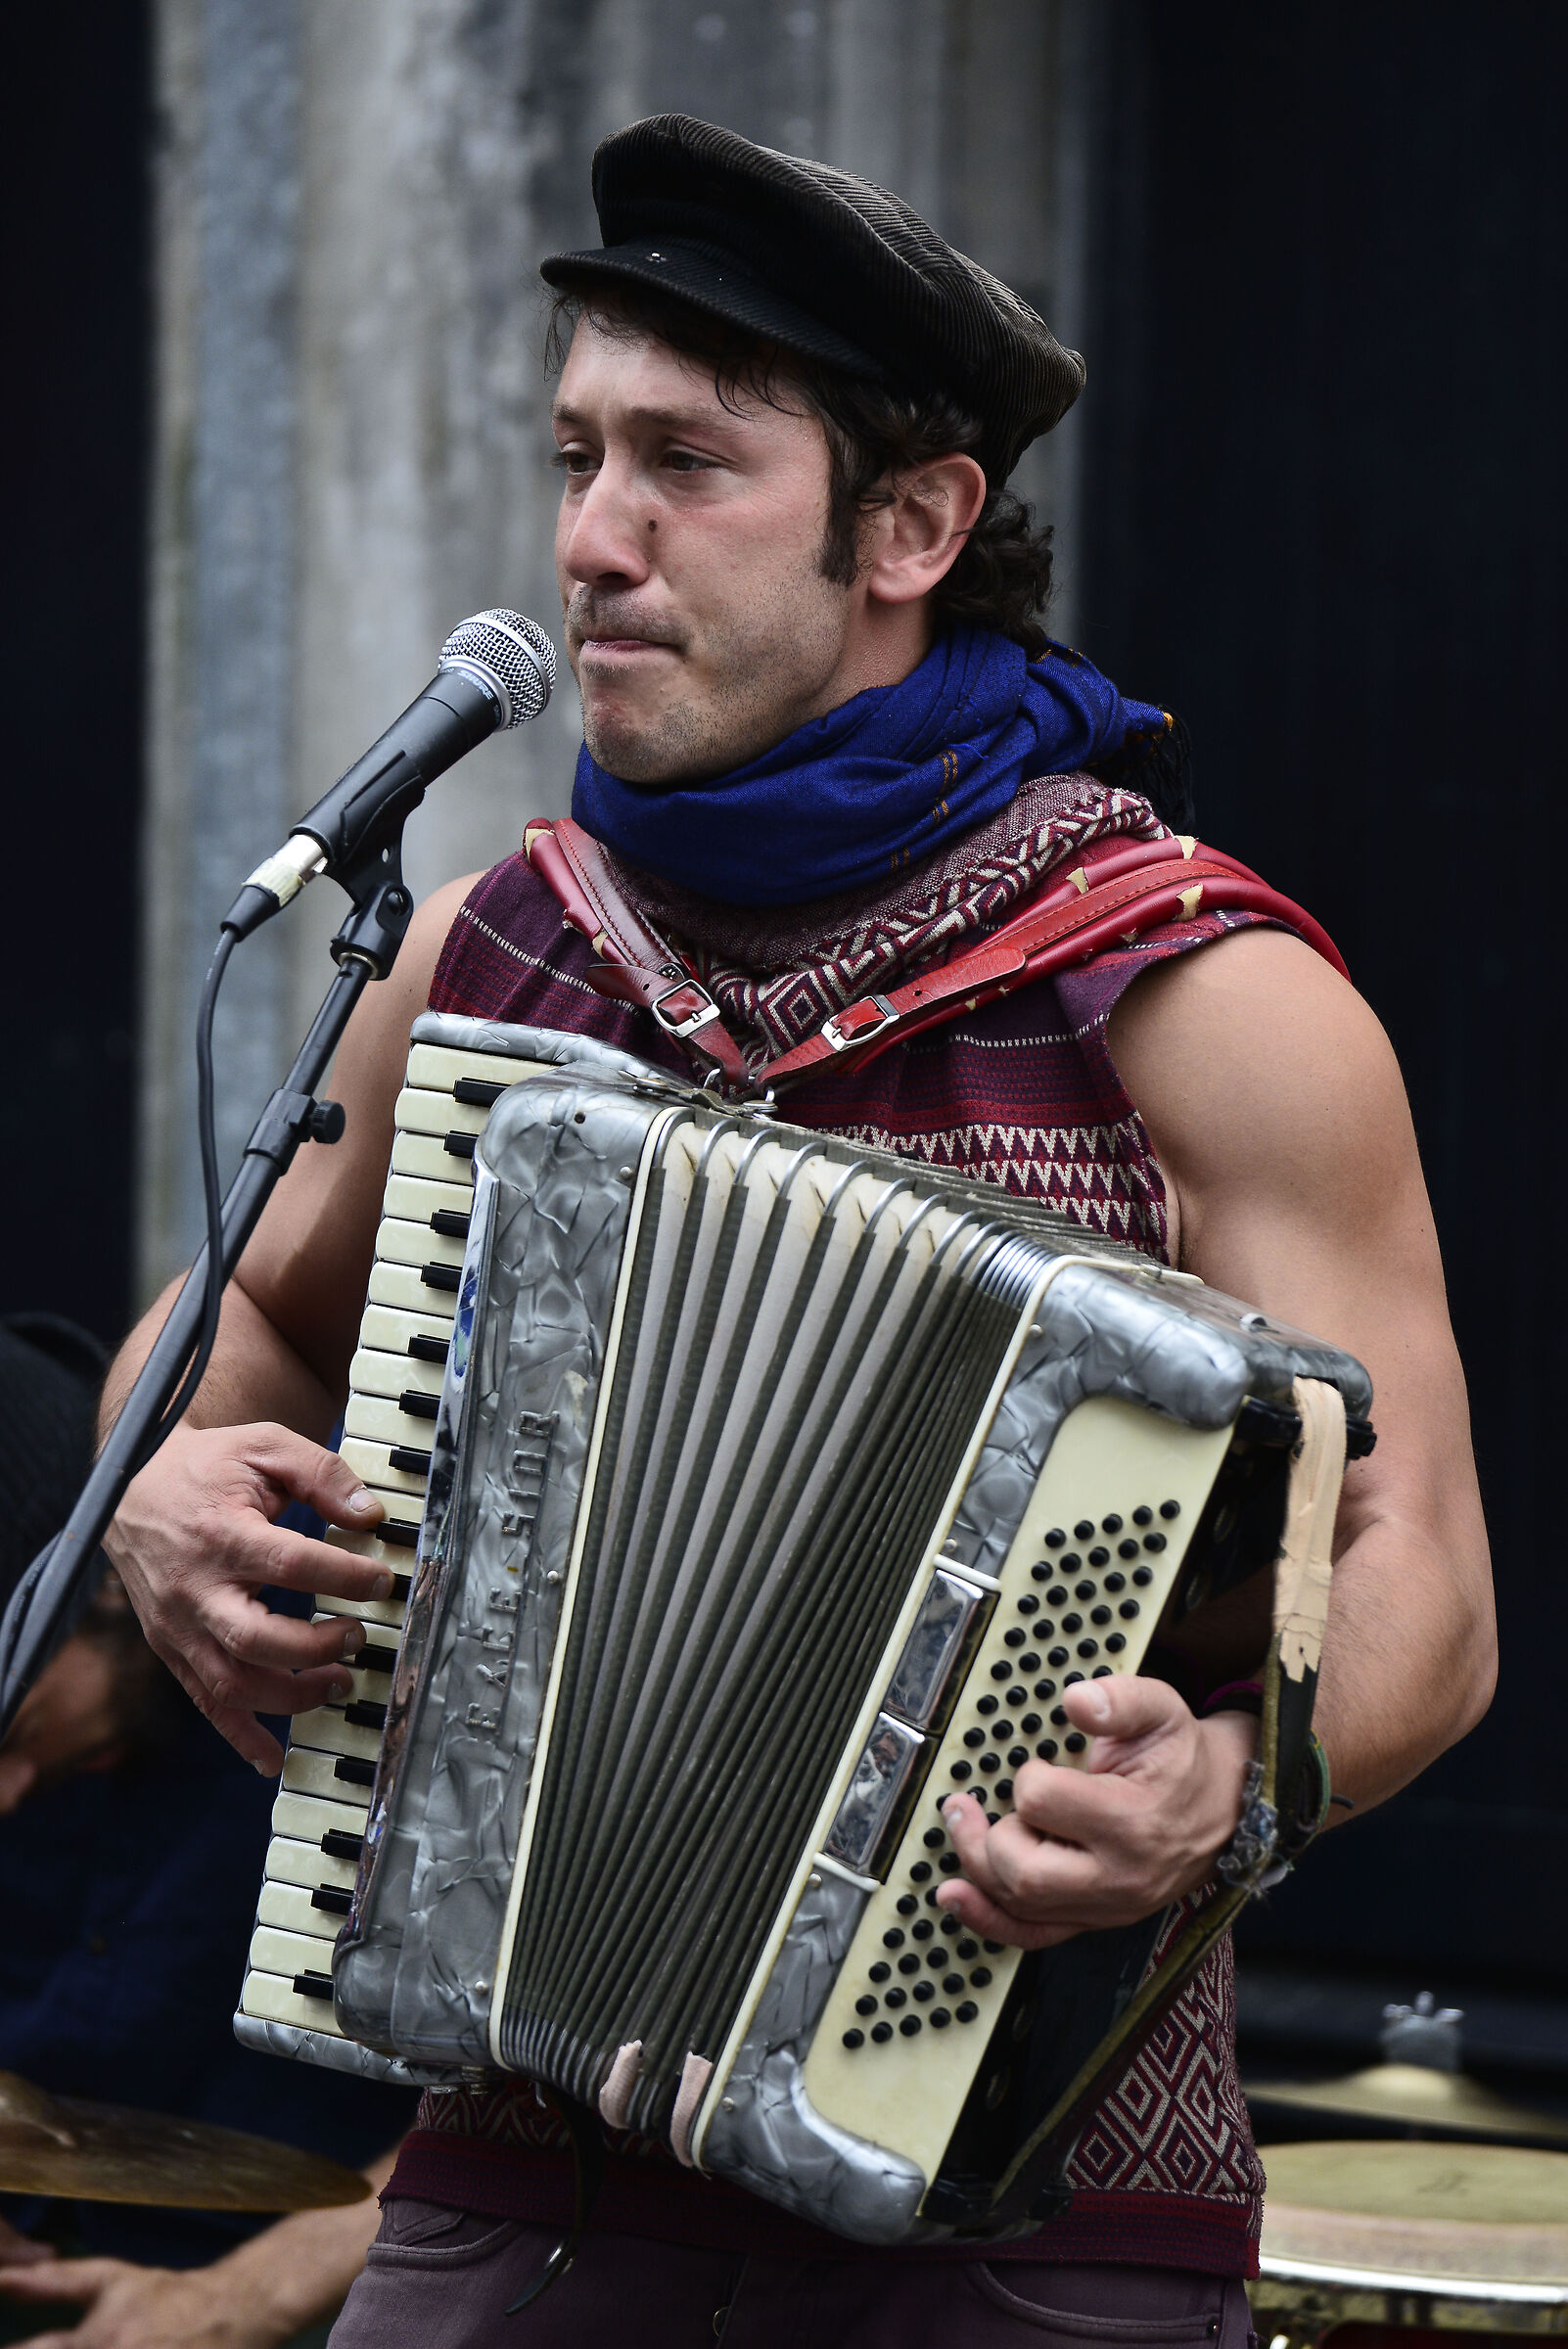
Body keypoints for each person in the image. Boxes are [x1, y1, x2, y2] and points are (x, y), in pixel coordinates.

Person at [93, 116, 1494, 2348]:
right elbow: (247, 1304)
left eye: (684, 462)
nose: (588, 539)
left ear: (911, 523)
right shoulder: (495, 948)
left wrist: (1220, 1786)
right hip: (513, 2159)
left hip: (1029, 2214)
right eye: (572, 458)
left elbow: (1416, 1567)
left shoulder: (1196, 995)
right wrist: (165, 1483)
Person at [0, 1316, 414, 2348]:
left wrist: (242, 2302)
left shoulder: (354, 1650)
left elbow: (546, 2097)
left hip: (331, 2292)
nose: (5, 1796)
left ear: (110, 1579)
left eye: (20, 1731)